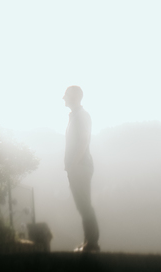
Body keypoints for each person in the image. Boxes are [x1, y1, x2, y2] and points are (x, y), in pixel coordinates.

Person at [64, 85, 100, 252]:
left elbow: (84, 140)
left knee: (84, 204)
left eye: (66, 95)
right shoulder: (76, 116)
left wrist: (73, 164)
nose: (63, 98)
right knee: (81, 205)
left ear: (75, 97)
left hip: (81, 166)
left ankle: (92, 243)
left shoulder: (82, 116)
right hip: (78, 167)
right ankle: (88, 242)